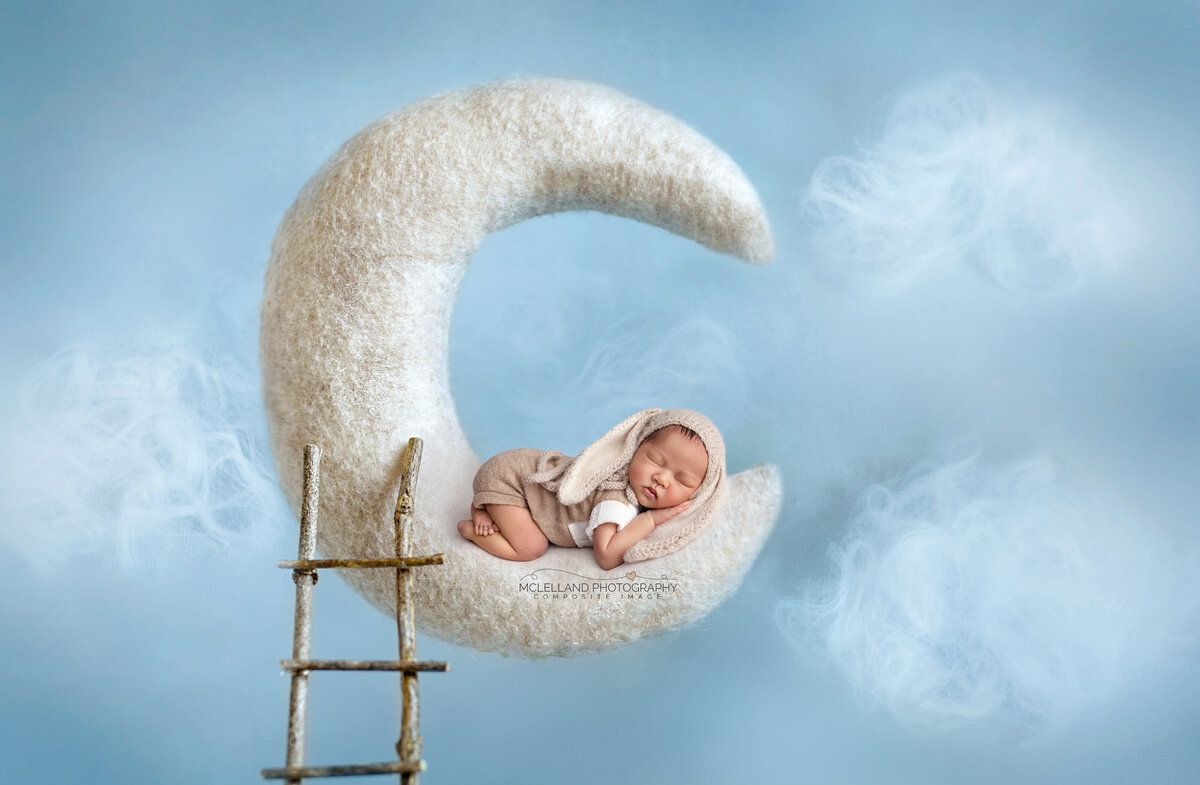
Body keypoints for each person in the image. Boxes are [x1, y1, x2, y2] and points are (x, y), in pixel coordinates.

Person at [456, 408, 726, 569]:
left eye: (681, 480)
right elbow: (607, 556)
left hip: (522, 474)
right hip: (510, 479)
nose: (661, 479)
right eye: (655, 460)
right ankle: (474, 522)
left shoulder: (638, 490)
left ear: (699, 492)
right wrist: (651, 519)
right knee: (531, 547)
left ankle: (488, 507)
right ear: (634, 447)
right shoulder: (616, 498)